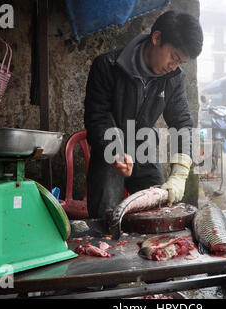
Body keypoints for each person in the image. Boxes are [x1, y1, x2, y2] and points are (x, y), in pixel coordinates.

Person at [83, 11, 204, 219]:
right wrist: (116, 152)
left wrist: (180, 172)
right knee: (106, 219)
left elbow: (182, 122)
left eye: (180, 62)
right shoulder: (107, 66)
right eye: (174, 57)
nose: (174, 66)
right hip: (109, 151)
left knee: (159, 213)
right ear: (156, 38)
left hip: (144, 149)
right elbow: (97, 116)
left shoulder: (174, 78)